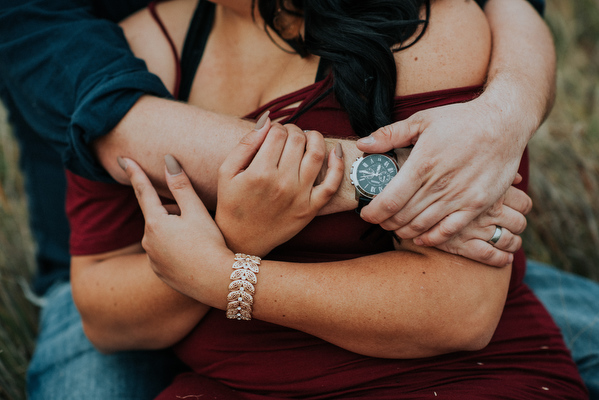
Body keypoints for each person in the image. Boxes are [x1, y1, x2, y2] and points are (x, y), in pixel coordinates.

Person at [0, 0, 596, 398]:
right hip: (234, 384)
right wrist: (239, 237)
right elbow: (104, 307)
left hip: (445, 379)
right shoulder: (126, 54)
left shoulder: (424, 23)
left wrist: (225, 276)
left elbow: (456, 309)